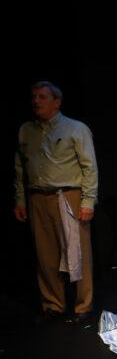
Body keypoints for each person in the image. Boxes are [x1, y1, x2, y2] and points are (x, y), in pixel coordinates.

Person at [13, 81, 98, 324]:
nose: (36, 101)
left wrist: (88, 202)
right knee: (45, 255)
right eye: (34, 96)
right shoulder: (26, 130)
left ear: (56, 102)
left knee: (78, 253)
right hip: (38, 197)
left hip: (68, 196)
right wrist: (20, 198)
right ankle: (53, 305)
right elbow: (20, 168)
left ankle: (83, 306)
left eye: (42, 97)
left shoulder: (75, 128)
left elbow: (89, 167)